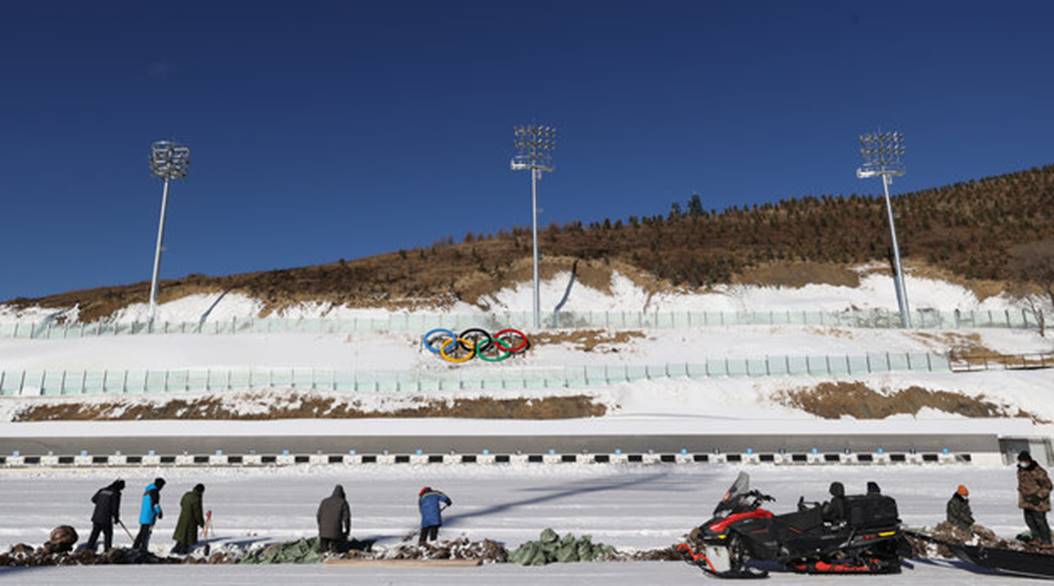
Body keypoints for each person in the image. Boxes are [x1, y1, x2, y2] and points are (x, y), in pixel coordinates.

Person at [1018, 451, 1052, 544]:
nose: (1022, 463)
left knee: (1040, 522)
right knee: (1029, 521)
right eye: (1021, 461)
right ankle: (1037, 539)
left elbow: (1048, 486)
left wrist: (1038, 496)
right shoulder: (1021, 470)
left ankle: (1046, 542)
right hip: (1027, 501)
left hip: (1038, 503)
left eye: (1024, 461)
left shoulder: (1038, 471)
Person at [86, 479, 125, 552]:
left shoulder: (102, 490)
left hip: (96, 516)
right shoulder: (115, 493)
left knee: (94, 534)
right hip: (105, 518)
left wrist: (102, 503)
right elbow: (115, 507)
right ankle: (107, 550)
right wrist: (116, 518)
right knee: (108, 534)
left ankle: (88, 549)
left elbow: (94, 499)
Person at [133, 478, 166, 552]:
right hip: (149, 515)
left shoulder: (148, 490)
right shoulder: (154, 492)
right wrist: (159, 512)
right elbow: (155, 503)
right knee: (145, 533)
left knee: (142, 532)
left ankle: (136, 546)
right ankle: (143, 548)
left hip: (144, 514)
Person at [172, 484, 206, 555]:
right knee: (187, 537)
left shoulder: (187, 494)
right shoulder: (197, 499)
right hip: (191, 521)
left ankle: (175, 550)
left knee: (181, 536)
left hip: (183, 517)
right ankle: (183, 553)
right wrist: (202, 523)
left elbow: (181, 503)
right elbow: (198, 513)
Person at [317, 485, 351, 553]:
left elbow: (318, 516)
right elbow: (346, 518)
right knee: (335, 550)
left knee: (323, 551)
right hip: (336, 533)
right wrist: (347, 531)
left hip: (323, 533)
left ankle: (323, 559)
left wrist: (321, 527)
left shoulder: (324, 501)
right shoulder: (343, 502)